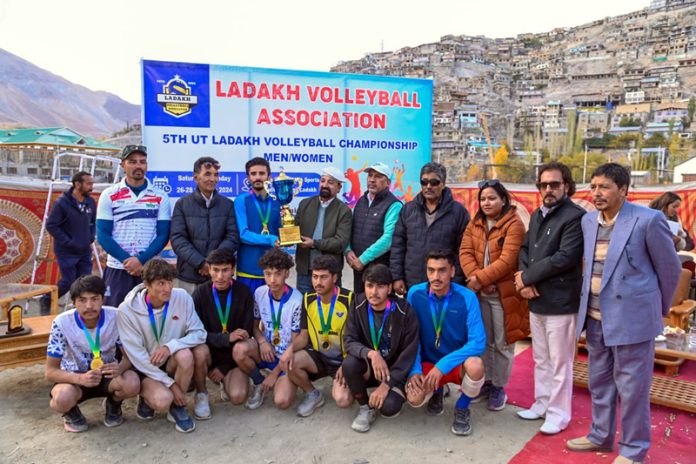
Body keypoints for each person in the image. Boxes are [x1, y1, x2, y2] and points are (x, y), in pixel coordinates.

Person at [566, 163, 681, 464]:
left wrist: (655, 310)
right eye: (593, 187)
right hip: (594, 319)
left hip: (632, 321)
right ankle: (600, 435)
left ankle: (633, 449)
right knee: (599, 382)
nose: (596, 193)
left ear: (624, 190)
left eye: (603, 187)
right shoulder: (589, 221)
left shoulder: (648, 220)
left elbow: (670, 270)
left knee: (632, 390)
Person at [515, 162, 585, 435]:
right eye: (543, 185)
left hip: (560, 303)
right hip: (536, 300)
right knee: (541, 358)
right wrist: (523, 277)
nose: (548, 189)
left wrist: (528, 278)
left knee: (560, 362)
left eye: (554, 184)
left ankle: (559, 414)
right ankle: (542, 404)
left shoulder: (575, 217)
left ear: (566, 186)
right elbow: (524, 247)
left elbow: (565, 258)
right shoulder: (536, 215)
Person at [459, 179, 527, 412]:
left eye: (491, 198)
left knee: (503, 343)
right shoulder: (475, 222)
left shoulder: (514, 224)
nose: (486, 203)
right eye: (483, 199)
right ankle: (485, 382)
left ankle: (499, 386)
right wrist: (477, 279)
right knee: (483, 340)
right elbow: (465, 251)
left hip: (503, 294)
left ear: (503, 200)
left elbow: (508, 260)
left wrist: (480, 280)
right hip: (480, 294)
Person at [116, 259, 206, 433]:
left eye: (170, 282)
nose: (168, 288)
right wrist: (171, 385)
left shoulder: (182, 297)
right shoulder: (126, 310)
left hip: (169, 362)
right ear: (146, 285)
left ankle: (177, 407)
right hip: (144, 367)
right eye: (161, 283)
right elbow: (137, 357)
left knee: (186, 355)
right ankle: (147, 396)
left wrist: (170, 347)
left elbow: (199, 333)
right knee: (162, 400)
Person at [406, 251, 486, 436]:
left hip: (455, 364)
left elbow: (478, 342)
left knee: (476, 365)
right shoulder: (415, 294)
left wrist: (442, 365)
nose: (436, 277)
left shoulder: (467, 297)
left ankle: (462, 406)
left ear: (452, 271)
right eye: (431, 270)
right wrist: (415, 370)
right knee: (414, 398)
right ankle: (437, 391)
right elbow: (411, 338)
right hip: (428, 364)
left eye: (442, 271)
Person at [46, 275, 140, 432]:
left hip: (108, 376)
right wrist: (80, 378)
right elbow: (50, 372)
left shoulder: (116, 316)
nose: (89, 306)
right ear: (73, 302)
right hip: (73, 379)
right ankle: (71, 412)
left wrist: (121, 368)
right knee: (61, 398)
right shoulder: (61, 323)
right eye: (82, 300)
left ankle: (113, 403)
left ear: (103, 299)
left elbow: (129, 355)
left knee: (132, 382)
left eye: (94, 299)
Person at [342, 264, 420, 433]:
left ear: (390, 288)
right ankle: (365, 408)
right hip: (371, 367)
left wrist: (387, 384)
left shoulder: (404, 311)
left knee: (389, 408)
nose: (374, 292)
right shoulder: (357, 303)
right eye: (369, 286)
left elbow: (409, 354)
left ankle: (387, 392)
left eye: (380, 286)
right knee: (349, 364)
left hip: (395, 371)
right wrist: (371, 354)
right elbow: (349, 340)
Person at [279, 255, 354, 416]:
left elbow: (357, 339)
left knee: (343, 400)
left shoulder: (349, 299)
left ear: (335, 277)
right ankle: (313, 394)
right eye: (315, 277)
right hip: (319, 357)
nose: (318, 282)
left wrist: (348, 364)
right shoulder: (308, 299)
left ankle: (349, 382)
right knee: (288, 361)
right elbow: (304, 336)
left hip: (343, 359)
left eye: (323, 277)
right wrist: (290, 349)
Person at [97, 145, 171, 307]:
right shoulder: (109, 194)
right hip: (118, 268)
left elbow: (163, 234)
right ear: (122, 165)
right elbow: (103, 234)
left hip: (150, 269)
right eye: (132, 162)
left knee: (152, 318)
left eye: (142, 162)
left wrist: (141, 260)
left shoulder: (160, 195)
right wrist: (127, 260)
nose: (138, 166)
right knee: (116, 318)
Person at [233, 249, 303, 410]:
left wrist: (275, 373)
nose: (272, 279)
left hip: (287, 357)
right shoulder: (259, 293)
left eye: (278, 274)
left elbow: (295, 342)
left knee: (282, 401)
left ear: (287, 274)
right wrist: (262, 341)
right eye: (267, 274)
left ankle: (281, 378)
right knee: (239, 350)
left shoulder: (297, 301)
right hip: (267, 351)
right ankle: (258, 381)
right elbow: (254, 325)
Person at [190, 248, 255, 419]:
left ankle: (229, 378)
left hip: (232, 358)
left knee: (238, 397)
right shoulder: (200, 293)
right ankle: (202, 393)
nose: (220, 276)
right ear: (209, 269)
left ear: (233, 269)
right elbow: (196, 334)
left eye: (225, 270)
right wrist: (226, 337)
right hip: (209, 354)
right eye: (215, 270)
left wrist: (224, 367)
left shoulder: (244, 293)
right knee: (199, 351)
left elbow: (246, 331)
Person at [391, 162, 470, 294]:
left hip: (445, 286)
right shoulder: (408, 210)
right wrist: (397, 277)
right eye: (424, 182)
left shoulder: (459, 212)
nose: (428, 186)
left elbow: (463, 251)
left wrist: (456, 281)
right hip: (413, 284)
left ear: (443, 184)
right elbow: (398, 246)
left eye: (434, 182)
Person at [170, 156, 239, 294]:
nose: (213, 179)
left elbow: (232, 237)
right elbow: (178, 239)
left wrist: (212, 264)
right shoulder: (182, 204)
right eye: (207, 174)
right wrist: (201, 263)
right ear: (196, 177)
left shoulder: (228, 204)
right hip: (188, 276)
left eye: (216, 175)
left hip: (218, 277)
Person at [42, 171, 96, 314]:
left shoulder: (90, 202)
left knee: (84, 282)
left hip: (84, 250)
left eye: (92, 183)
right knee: (68, 281)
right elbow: (51, 225)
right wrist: (68, 241)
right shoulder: (62, 203)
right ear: (77, 184)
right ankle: (47, 299)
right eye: (88, 183)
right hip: (67, 251)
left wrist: (91, 236)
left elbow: (93, 222)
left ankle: (79, 309)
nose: (92, 187)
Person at [346, 162, 403, 294]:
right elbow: (350, 229)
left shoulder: (394, 205)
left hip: (379, 270)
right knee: (360, 307)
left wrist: (363, 259)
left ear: (388, 182)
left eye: (378, 176)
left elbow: (388, 239)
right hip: (359, 269)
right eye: (370, 175)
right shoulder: (361, 201)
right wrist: (348, 251)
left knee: (379, 309)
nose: (372, 179)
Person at [294, 167, 352, 294]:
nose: (325, 185)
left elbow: (340, 243)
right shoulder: (305, 204)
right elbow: (293, 231)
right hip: (305, 270)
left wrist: (314, 243)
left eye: (330, 182)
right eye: (322, 181)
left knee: (330, 310)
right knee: (305, 308)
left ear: (339, 188)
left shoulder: (344, 211)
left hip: (329, 273)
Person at [234, 157, 281, 294]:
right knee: (248, 314)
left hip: (273, 271)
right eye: (253, 174)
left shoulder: (277, 201)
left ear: (269, 176)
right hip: (248, 270)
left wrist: (289, 237)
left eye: (262, 173)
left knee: (272, 313)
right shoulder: (241, 200)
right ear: (248, 177)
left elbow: (281, 232)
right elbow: (243, 234)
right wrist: (271, 239)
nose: (258, 177)